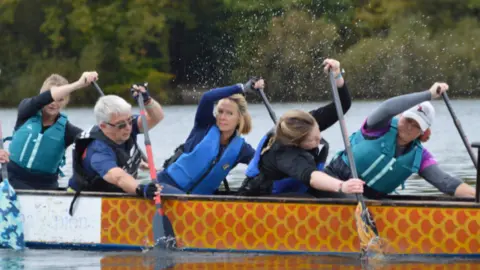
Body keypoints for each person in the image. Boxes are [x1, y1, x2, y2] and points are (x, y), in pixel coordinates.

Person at [324, 82, 476, 199]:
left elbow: (446, 183)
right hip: (333, 181)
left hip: (368, 201)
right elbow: (388, 107)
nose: (409, 127)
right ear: (401, 116)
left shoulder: (420, 157)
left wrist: (476, 195)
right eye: (408, 120)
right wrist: (428, 94)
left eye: (416, 126)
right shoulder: (378, 126)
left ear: (423, 133)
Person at [237, 59, 365, 197]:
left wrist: (337, 75)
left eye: (318, 134)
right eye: (313, 140)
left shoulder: (306, 122)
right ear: (297, 143)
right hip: (261, 198)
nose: (319, 139)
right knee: (311, 197)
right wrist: (342, 186)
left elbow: (342, 105)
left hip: (296, 185)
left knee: (341, 193)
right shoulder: (286, 154)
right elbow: (312, 177)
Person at [157, 78, 265, 195]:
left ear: (239, 118)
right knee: (182, 198)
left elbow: (262, 163)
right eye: (220, 111)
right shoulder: (204, 125)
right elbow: (207, 97)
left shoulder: (242, 149)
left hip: (198, 202)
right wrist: (242, 88)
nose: (223, 117)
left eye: (229, 113)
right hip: (164, 186)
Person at [67, 83, 164, 201]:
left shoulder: (125, 125)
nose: (128, 127)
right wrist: (141, 189)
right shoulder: (98, 150)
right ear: (103, 126)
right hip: (85, 201)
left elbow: (156, 117)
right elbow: (118, 177)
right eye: (121, 125)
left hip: (116, 192)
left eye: (129, 120)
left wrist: (147, 100)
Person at [5, 72, 97, 190]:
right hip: (11, 179)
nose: (54, 103)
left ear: (66, 101)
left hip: (44, 186)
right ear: (43, 97)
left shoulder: (68, 130)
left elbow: (95, 142)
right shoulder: (26, 111)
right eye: (51, 98)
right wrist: (79, 84)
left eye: (60, 100)